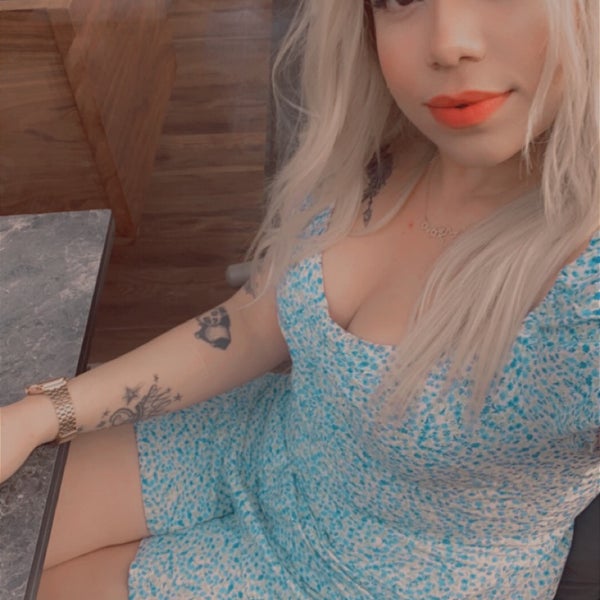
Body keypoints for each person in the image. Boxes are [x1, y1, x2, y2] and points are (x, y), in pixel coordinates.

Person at [1, 0, 598, 597]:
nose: (448, 43)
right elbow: (251, 325)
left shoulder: (585, 293)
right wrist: (40, 415)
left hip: (364, 580)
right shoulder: (383, 151)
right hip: (261, 443)